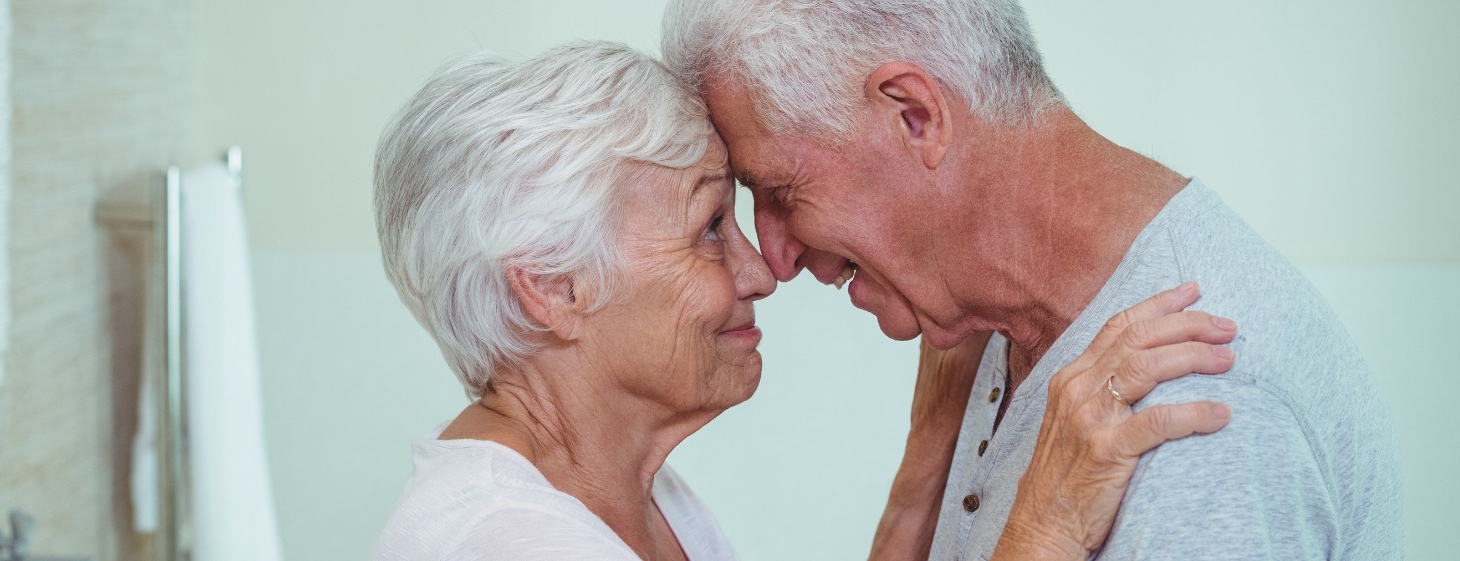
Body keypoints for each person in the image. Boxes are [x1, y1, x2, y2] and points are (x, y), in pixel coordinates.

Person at [369, 41, 1242, 561]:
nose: (760, 272)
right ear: (553, 288)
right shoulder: (499, 541)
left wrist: (928, 459)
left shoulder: (633, 493)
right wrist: (1043, 529)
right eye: (710, 227)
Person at [660, 1, 1404, 559]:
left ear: (914, 115)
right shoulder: (993, 329)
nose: (776, 259)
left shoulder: (1193, 402)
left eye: (780, 192)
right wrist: (930, 463)